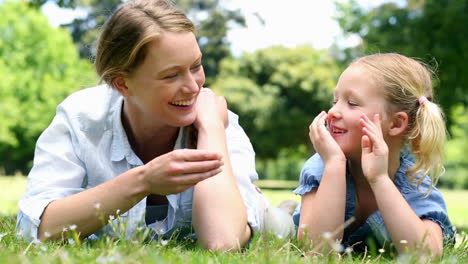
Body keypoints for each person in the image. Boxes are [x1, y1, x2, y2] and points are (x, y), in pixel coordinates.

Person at [16, 0, 293, 250]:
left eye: (196, 66)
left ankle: (286, 209)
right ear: (123, 84)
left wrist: (210, 129)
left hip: (256, 214)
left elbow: (223, 242)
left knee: (280, 225)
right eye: (171, 75)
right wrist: (144, 180)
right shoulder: (80, 119)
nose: (193, 86)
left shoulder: (218, 120)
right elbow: (38, 229)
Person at [293, 53, 455, 257]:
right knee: (278, 223)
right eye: (335, 100)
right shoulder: (322, 164)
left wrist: (379, 179)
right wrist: (334, 164)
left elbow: (425, 256)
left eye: (352, 103)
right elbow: (316, 250)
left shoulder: (414, 178)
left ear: (396, 123)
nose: (333, 111)